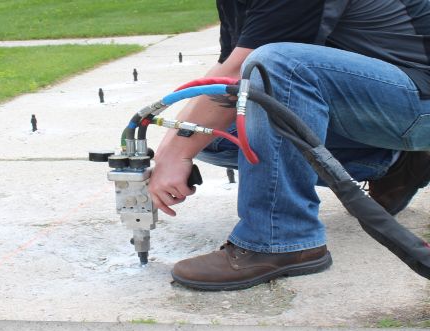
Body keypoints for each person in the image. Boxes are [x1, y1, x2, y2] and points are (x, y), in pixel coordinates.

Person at [149, 0, 430, 291]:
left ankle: (280, 238)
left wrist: (177, 153)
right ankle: (393, 162)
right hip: (382, 97)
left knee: (276, 63)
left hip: (420, 96)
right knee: (212, 135)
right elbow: (224, 75)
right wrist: (169, 153)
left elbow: (244, 71)